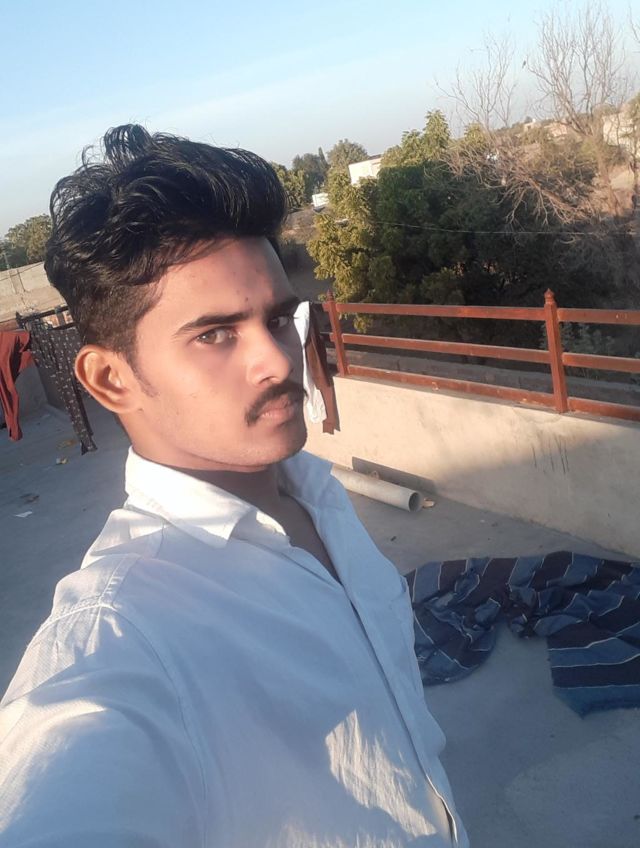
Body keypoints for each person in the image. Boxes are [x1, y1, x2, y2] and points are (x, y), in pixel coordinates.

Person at [0, 125, 467, 847]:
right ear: (111, 379)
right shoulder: (117, 640)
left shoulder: (318, 496)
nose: (277, 360)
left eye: (278, 318)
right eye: (215, 334)